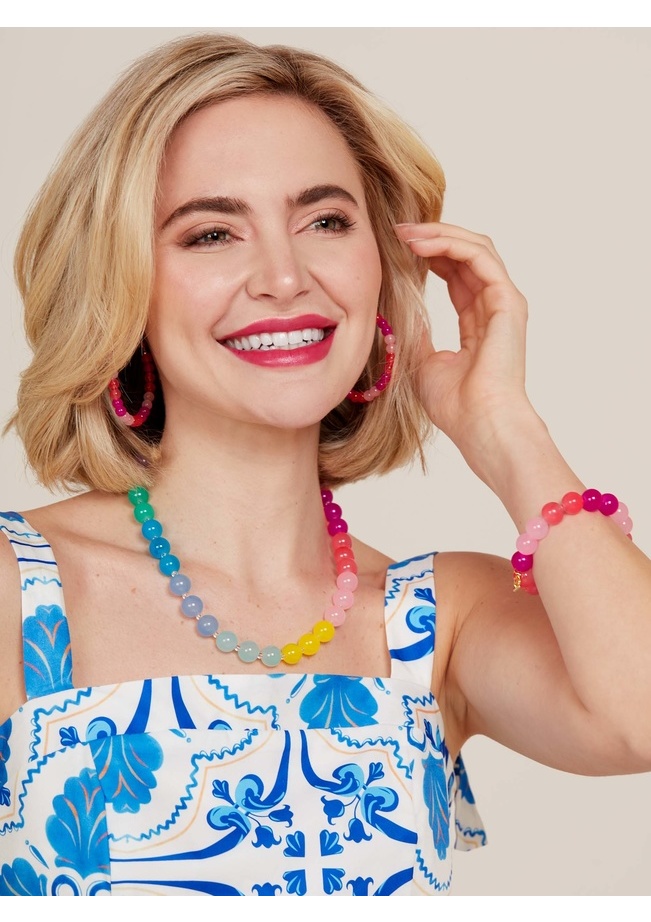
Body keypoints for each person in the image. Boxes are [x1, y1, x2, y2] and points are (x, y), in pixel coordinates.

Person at [0, 30, 650, 898]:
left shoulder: (434, 622)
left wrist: (503, 427)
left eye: (325, 222)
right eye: (210, 233)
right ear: (120, 286)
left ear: (381, 265)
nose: (283, 277)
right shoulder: (18, 592)